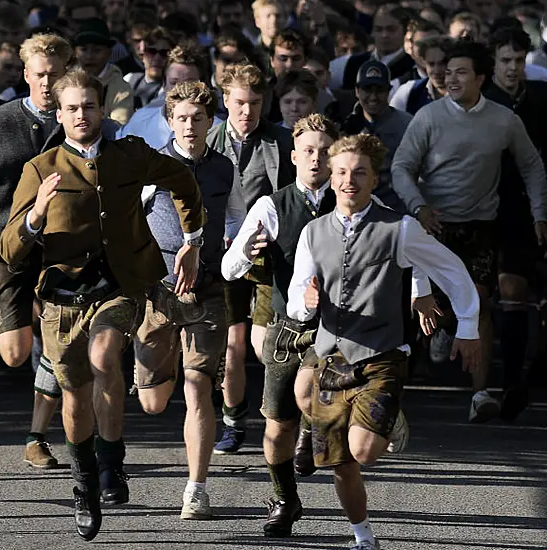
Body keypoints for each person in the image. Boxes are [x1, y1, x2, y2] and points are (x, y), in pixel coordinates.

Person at [0, 69, 204, 541]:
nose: (81, 115)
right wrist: (35, 215)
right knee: (73, 396)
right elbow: (10, 249)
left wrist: (192, 238)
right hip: (62, 298)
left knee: (104, 356)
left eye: (89, 106)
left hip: (121, 286)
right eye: (71, 108)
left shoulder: (129, 155)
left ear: (101, 108)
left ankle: (113, 464)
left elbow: (182, 180)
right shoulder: (41, 168)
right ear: (59, 113)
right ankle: (85, 482)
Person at [287, 133, 480, 550]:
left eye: (359, 173)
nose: (348, 181)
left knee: (365, 451)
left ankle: (387, 417)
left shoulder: (401, 228)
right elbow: (297, 297)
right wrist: (306, 302)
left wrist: (467, 326)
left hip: (381, 354)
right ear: (330, 175)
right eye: (340, 172)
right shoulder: (312, 232)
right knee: (339, 463)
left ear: (375, 179)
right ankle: (363, 538)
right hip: (329, 355)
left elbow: (452, 270)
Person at [0, 33, 113, 469]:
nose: (46, 82)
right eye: (39, 75)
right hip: (10, 246)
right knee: (16, 352)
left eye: (55, 75)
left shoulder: (83, 119)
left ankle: (37, 434)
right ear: (25, 75)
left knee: (60, 341)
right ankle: (48, 359)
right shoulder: (0, 120)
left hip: (66, 250)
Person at [391, 40, 547, 422]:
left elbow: (532, 166)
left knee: (476, 302)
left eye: (462, 72)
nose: (451, 78)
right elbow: (401, 168)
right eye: (448, 72)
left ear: (481, 77)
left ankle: (480, 394)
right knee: (419, 306)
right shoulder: (427, 117)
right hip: (432, 224)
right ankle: (394, 390)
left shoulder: (504, 120)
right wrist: (420, 207)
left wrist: (540, 214)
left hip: (479, 225)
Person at [222, 113, 340, 537]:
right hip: (286, 325)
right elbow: (229, 268)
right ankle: (285, 500)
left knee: (308, 390)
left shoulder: (349, 202)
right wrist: (249, 250)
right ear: (293, 157)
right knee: (275, 429)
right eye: (308, 151)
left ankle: (312, 427)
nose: (315, 159)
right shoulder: (272, 205)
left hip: (334, 328)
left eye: (324, 151)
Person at [134, 80, 233, 520]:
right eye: (181, 119)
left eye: (198, 118)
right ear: (169, 123)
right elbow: (128, 222)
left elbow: (236, 211)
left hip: (208, 288)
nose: (190, 126)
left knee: (198, 390)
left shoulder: (224, 167)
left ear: (211, 123)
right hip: (158, 291)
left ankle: (197, 488)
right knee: (153, 402)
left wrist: (236, 242)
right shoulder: (151, 168)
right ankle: (161, 364)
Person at [207, 62, 295, 454]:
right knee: (233, 342)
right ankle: (233, 420)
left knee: (263, 345)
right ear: (226, 100)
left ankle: (282, 412)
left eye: (255, 102)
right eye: (240, 102)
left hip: (265, 257)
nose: (247, 111)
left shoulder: (281, 141)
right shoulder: (207, 139)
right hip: (220, 254)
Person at [482, 26, 547, 421]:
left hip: (529, 210)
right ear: (492, 63)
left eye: (519, 61)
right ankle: (507, 381)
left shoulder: (540, 99)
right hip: (488, 209)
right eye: (505, 60)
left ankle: (517, 381)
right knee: (502, 295)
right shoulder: (482, 100)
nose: (512, 68)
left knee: (517, 294)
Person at [342, 60, 412, 212]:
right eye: (367, 89)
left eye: (379, 90)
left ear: (389, 91)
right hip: (357, 208)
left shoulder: (406, 124)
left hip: (398, 208)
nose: (373, 97)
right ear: (357, 91)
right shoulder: (346, 126)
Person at [119, 44, 220, 148]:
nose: (180, 90)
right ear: (164, 85)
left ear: (203, 85)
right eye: (173, 83)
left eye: (188, 84)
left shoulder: (218, 132)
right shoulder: (141, 119)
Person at [329, 5, 416, 90]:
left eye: (391, 29)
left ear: (405, 31)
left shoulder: (414, 66)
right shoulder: (349, 63)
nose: (384, 35)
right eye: (379, 29)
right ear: (372, 32)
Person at [73, 18, 133, 125]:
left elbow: (119, 126)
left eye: (97, 50)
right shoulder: (65, 82)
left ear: (109, 53)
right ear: (75, 52)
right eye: (83, 49)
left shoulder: (121, 89)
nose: (89, 56)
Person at [389, 36, 451, 115]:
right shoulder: (409, 91)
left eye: (443, 63)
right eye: (431, 64)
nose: (437, 71)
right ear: (424, 62)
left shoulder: (464, 93)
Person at [124, 27, 175, 109]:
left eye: (164, 53)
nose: (157, 58)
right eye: (152, 51)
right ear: (142, 54)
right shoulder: (129, 80)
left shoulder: (172, 91)